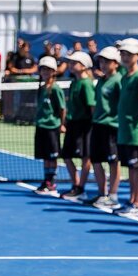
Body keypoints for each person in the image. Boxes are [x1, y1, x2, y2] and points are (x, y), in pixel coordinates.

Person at [115, 38, 138, 219]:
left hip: (137, 132)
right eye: (123, 54)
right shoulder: (125, 76)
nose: (125, 57)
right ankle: (131, 200)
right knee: (131, 168)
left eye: (129, 54)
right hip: (125, 132)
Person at [87, 46, 122, 210]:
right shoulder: (101, 81)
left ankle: (113, 196)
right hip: (98, 126)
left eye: (107, 61)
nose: (103, 64)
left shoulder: (119, 81)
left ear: (116, 63)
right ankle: (102, 193)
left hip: (112, 128)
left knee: (113, 162)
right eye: (101, 60)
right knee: (96, 160)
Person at [58, 52, 95, 200]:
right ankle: (76, 184)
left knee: (86, 157)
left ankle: (80, 187)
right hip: (73, 125)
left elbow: (92, 107)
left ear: (84, 66)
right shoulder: (74, 82)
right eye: (71, 62)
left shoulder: (86, 84)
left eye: (75, 62)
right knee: (67, 155)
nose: (71, 65)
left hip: (84, 125)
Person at [33, 55, 64, 196]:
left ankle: (51, 182)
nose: (45, 73)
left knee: (53, 156)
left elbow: (62, 108)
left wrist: (62, 125)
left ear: (54, 72)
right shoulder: (41, 88)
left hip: (52, 127)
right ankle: (46, 180)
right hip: (41, 127)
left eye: (48, 70)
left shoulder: (56, 89)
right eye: (43, 70)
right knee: (45, 156)